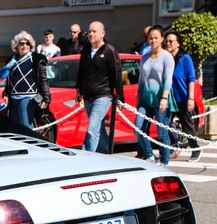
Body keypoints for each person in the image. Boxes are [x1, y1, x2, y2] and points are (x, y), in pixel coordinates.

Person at [75, 21, 125, 154]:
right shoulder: (85, 50)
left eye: (94, 31)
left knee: (92, 128)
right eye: (89, 31)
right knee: (99, 128)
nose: (91, 34)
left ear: (102, 34)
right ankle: (106, 154)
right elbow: (81, 71)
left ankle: (87, 157)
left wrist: (120, 97)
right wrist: (78, 89)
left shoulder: (110, 51)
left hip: (103, 96)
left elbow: (117, 75)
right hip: (88, 97)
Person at [134, 25, 176, 166]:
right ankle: (150, 155)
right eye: (150, 38)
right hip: (146, 98)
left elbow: (168, 79)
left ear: (162, 39)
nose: (153, 41)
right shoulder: (144, 57)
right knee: (138, 127)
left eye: (156, 38)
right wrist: (138, 96)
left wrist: (164, 98)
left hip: (161, 99)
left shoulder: (167, 57)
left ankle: (164, 161)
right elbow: (141, 79)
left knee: (162, 132)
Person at [164, 31, 201, 162]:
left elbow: (191, 78)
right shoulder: (166, 58)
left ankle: (195, 149)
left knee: (187, 126)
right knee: (166, 124)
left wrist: (190, 98)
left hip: (182, 98)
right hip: (169, 98)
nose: (168, 43)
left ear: (178, 43)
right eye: (166, 41)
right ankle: (173, 147)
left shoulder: (185, 58)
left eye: (171, 41)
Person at [3, 31, 51, 129]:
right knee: (14, 128)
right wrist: (5, 93)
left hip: (28, 98)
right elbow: (9, 81)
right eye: (22, 43)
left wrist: (46, 97)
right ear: (16, 46)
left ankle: (29, 144)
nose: (25, 46)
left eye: (27, 43)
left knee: (26, 127)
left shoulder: (35, 59)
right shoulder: (12, 61)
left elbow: (43, 79)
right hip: (14, 99)